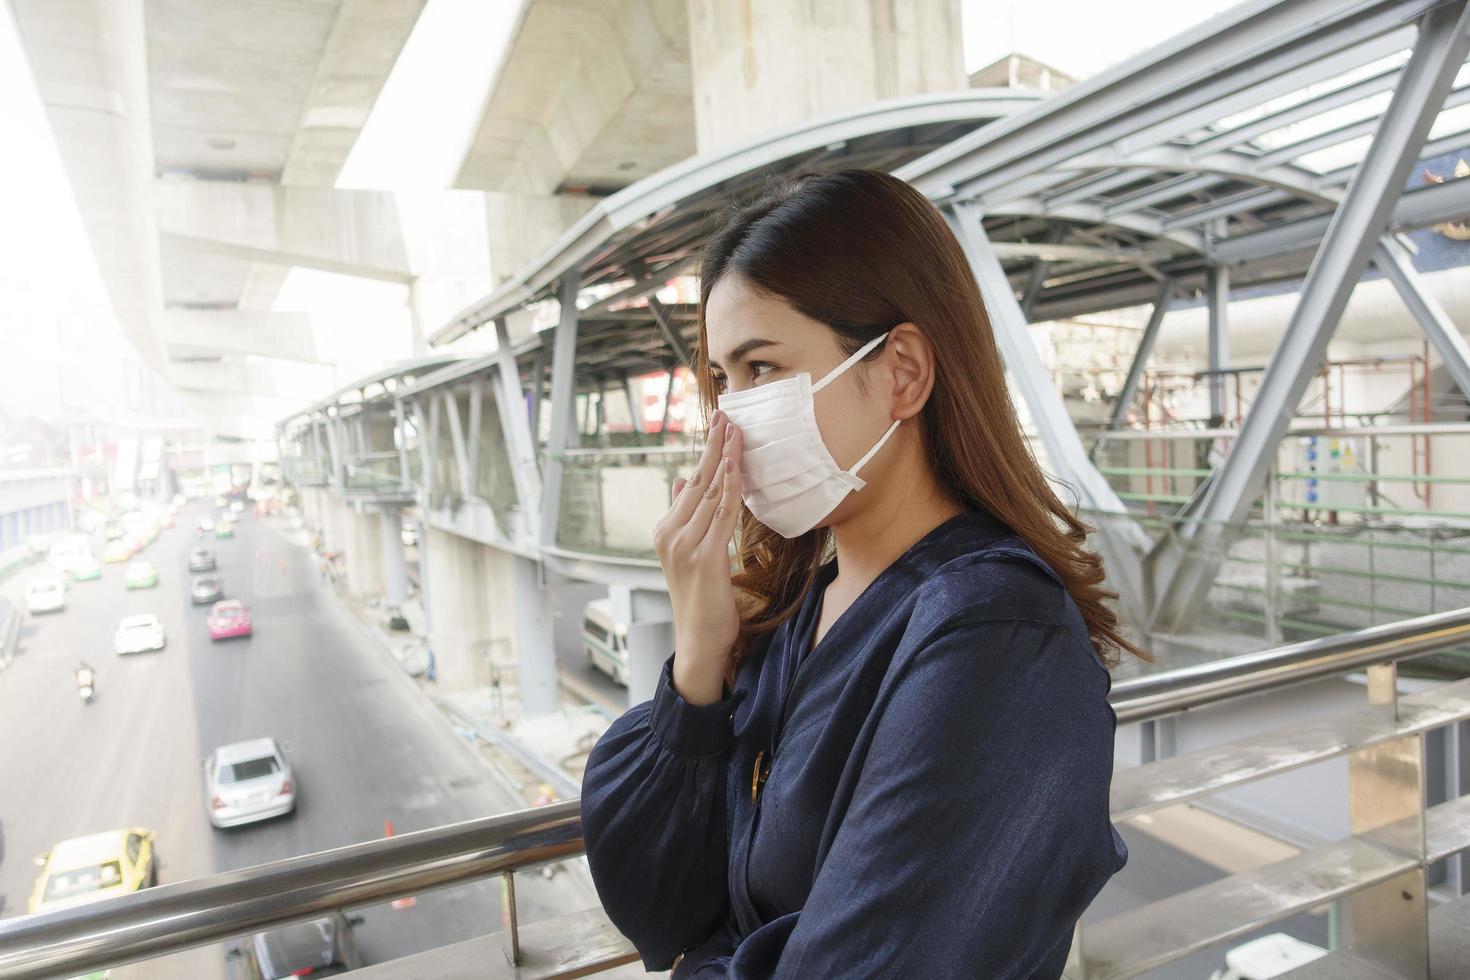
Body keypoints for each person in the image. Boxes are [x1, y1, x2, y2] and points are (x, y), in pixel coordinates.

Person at [578, 169, 1152, 978]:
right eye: (720, 381)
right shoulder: (797, 612)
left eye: (764, 369)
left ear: (903, 372)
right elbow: (658, 911)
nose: (731, 420)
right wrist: (699, 667)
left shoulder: (995, 639)